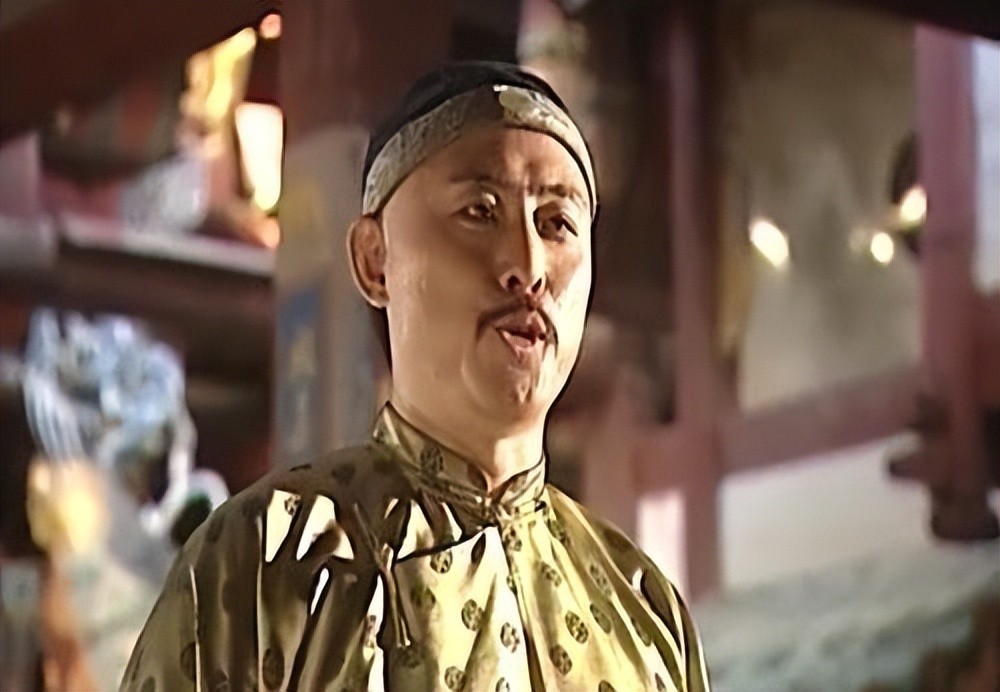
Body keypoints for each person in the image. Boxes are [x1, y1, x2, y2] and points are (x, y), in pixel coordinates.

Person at [121, 61, 709, 692]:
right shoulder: (263, 561)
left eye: (556, 224)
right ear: (375, 261)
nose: (528, 265)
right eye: (480, 211)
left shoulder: (643, 609)